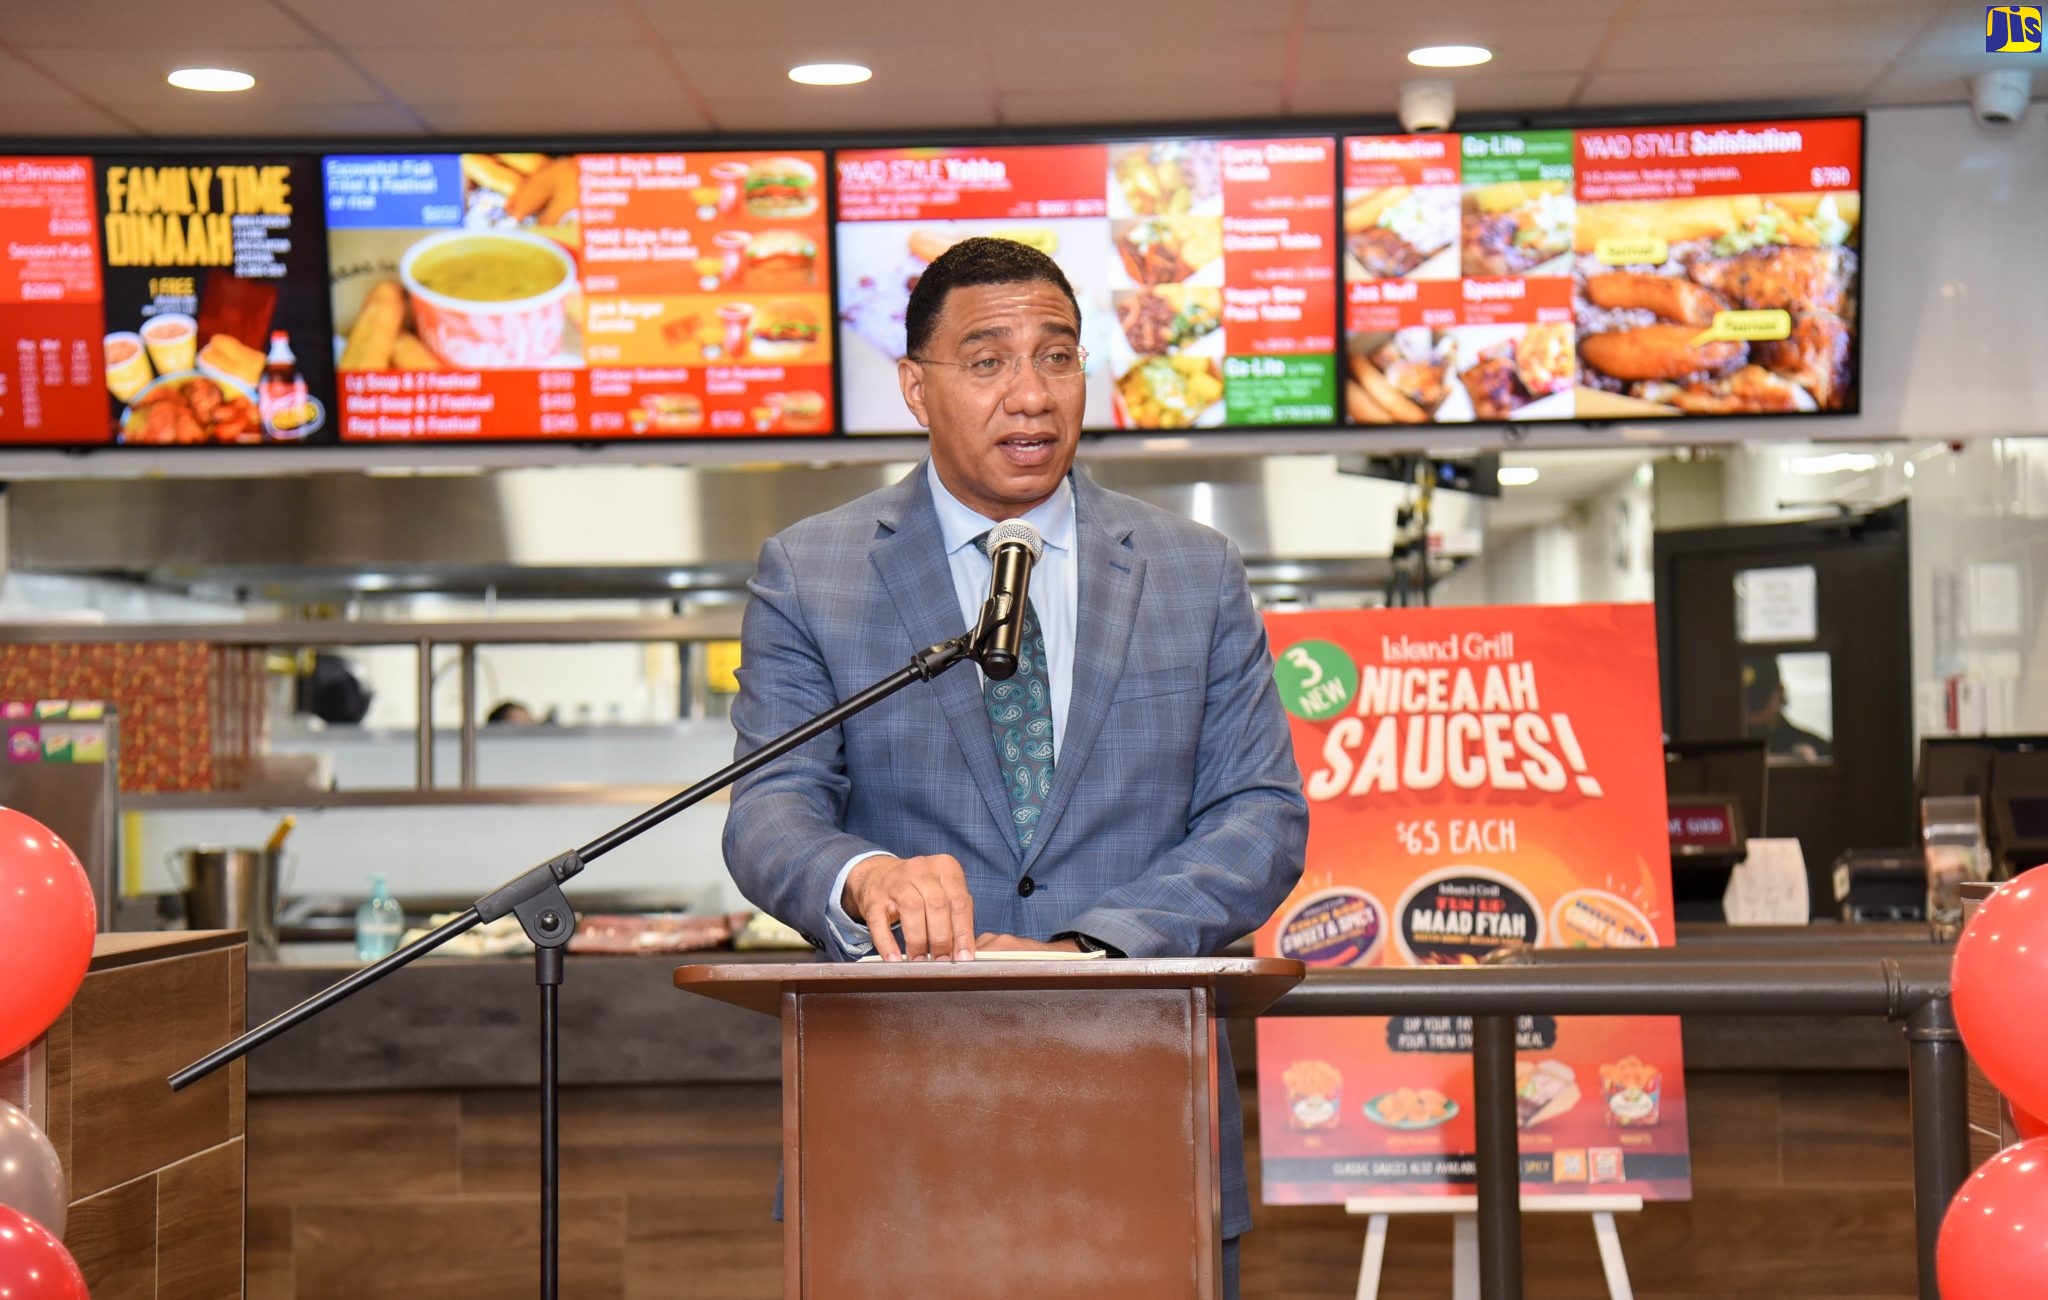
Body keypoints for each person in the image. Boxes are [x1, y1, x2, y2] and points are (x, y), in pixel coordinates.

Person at [722, 236, 1308, 1295]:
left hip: (1144, 1118)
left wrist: (1091, 950)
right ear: (916, 387)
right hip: (892, 1139)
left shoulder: (1194, 571)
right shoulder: (812, 573)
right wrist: (866, 877)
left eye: (1058, 356)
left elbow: (1259, 816)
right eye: (987, 360)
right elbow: (770, 809)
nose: (1030, 394)